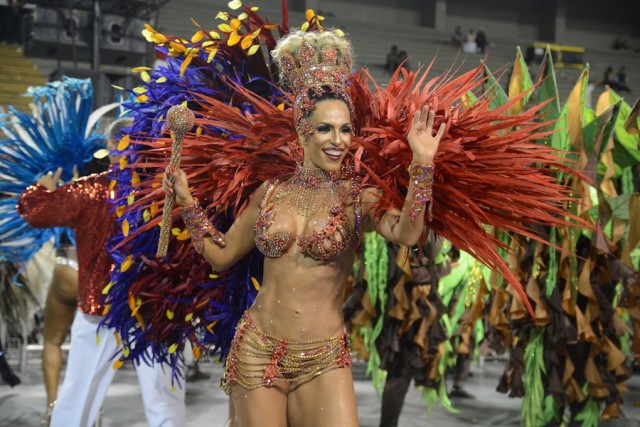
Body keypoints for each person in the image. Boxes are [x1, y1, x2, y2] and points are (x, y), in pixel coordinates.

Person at [163, 30, 445, 427]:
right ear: (302, 131)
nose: (338, 140)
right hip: (258, 348)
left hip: (323, 355)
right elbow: (221, 255)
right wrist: (188, 203)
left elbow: (408, 233)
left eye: (346, 129)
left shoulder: (356, 196)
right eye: (326, 129)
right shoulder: (271, 192)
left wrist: (423, 166)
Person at [19, 117, 186, 427]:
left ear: (111, 149)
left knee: (78, 393)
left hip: (101, 307)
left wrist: (39, 191)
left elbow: (35, 211)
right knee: (164, 398)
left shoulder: (90, 190)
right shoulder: (168, 191)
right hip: (155, 308)